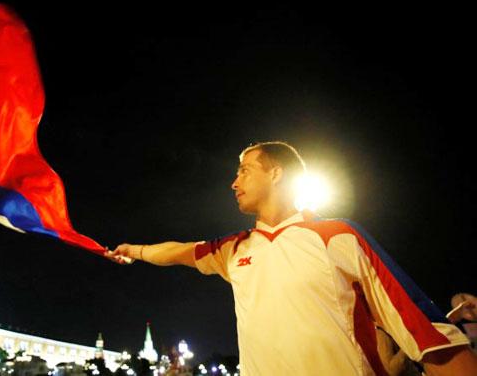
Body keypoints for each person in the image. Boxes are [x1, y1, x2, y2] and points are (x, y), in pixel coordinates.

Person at [108, 141, 477, 376]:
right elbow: (180, 251)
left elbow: (429, 336)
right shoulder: (235, 249)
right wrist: (136, 251)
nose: (234, 183)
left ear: (276, 172)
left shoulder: (338, 236)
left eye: (244, 171)